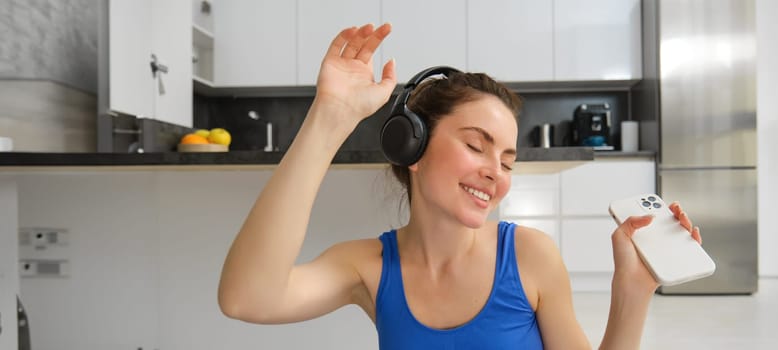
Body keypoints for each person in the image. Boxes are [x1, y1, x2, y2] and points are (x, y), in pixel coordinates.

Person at [217, 23, 702, 350]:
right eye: (476, 145)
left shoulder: (531, 256)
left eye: (507, 160)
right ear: (413, 149)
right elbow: (245, 299)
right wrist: (329, 118)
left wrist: (633, 289)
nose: (495, 171)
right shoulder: (366, 267)